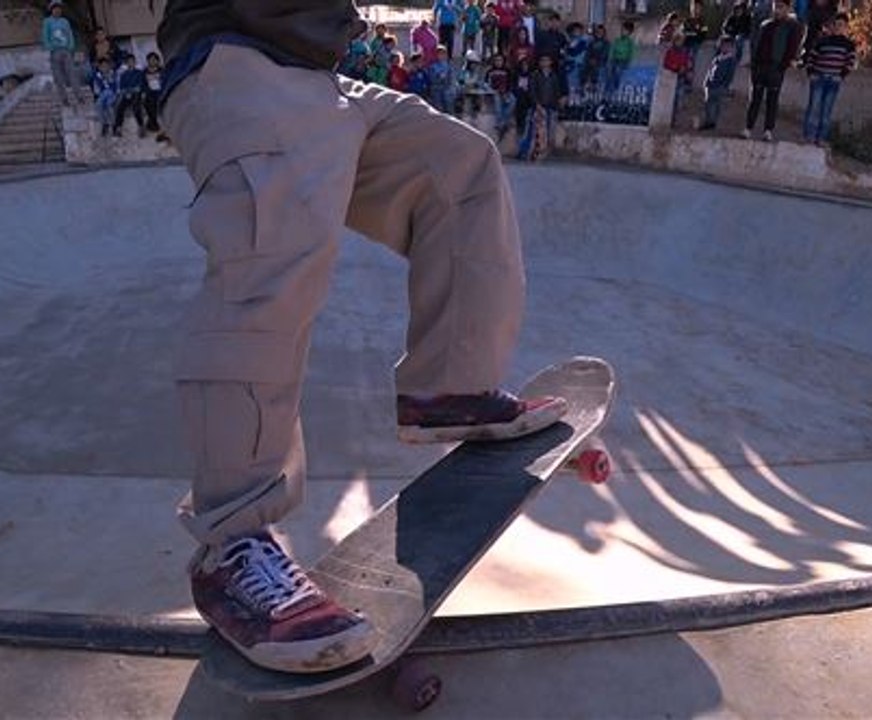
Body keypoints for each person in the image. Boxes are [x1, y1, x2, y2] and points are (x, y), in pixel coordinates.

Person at [153, 0, 565, 675]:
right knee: (272, 237)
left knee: (458, 167)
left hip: (322, 80)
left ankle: (449, 386)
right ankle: (231, 542)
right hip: (232, 68)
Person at [742, 0, 802, 141]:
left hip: (776, 67)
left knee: (772, 99)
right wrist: (755, 64)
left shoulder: (792, 27)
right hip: (761, 66)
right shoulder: (765, 25)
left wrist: (783, 66)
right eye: (776, 7)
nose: (777, 10)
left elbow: (791, 49)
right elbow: (756, 44)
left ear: (787, 8)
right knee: (755, 99)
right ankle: (748, 127)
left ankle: (768, 130)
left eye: (781, 7)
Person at [802, 13, 855, 145]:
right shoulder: (823, 41)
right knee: (814, 107)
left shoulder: (848, 45)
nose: (838, 28)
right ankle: (809, 135)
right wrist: (811, 73)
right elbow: (812, 57)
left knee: (826, 110)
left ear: (846, 27)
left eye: (841, 25)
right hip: (819, 77)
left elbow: (850, 62)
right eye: (836, 25)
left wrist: (841, 76)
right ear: (832, 26)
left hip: (834, 80)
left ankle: (821, 138)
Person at [523, 53, 565, 160]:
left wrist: (557, 104)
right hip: (538, 107)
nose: (545, 63)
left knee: (549, 131)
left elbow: (556, 92)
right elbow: (532, 90)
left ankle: (545, 153)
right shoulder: (535, 75)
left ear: (550, 63)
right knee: (533, 131)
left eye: (547, 61)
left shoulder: (554, 76)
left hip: (550, 107)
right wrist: (536, 104)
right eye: (543, 60)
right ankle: (527, 153)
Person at [42, 1, 78, 105]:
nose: (58, 10)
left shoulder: (65, 21)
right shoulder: (47, 21)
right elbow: (45, 36)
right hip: (55, 51)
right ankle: (64, 99)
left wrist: (70, 47)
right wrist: (50, 47)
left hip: (66, 50)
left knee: (72, 73)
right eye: (55, 8)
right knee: (58, 77)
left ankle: (79, 96)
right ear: (51, 10)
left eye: (59, 8)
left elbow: (69, 34)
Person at [698, 36, 738, 130]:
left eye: (728, 46)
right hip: (711, 84)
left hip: (720, 85)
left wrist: (725, 85)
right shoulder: (717, 58)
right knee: (708, 104)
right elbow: (710, 70)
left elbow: (730, 74)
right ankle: (709, 121)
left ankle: (712, 122)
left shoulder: (731, 60)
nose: (725, 48)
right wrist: (706, 82)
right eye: (723, 45)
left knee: (716, 104)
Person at [114, 54, 147, 137]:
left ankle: (141, 126)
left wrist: (133, 90)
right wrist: (127, 92)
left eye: (132, 61)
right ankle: (118, 127)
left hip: (137, 94)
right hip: (127, 94)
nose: (131, 63)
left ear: (135, 62)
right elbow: (122, 87)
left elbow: (140, 86)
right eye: (129, 62)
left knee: (136, 106)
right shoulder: (123, 75)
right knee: (120, 107)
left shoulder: (139, 73)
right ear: (126, 63)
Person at [485, 52, 515, 139]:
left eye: (500, 60)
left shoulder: (507, 71)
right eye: (496, 60)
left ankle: (502, 122)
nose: (498, 62)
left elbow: (510, 82)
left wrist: (507, 92)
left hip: (506, 92)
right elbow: (485, 83)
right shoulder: (490, 71)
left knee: (513, 100)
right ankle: (501, 124)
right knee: (498, 103)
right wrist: (491, 90)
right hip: (494, 92)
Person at [606, 20, 636, 95]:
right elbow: (612, 49)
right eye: (622, 30)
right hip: (615, 59)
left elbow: (631, 52)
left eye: (624, 30)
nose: (622, 32)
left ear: (629, 32)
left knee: (617, 70)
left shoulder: (630, 42)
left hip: (623, 60)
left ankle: (616, 85)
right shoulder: (617, 40)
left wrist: (628, 62)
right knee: (609, 69)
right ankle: (608, 86)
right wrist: (610, 59)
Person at [91, 58, 119, 136]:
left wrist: (108, 77)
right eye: (102, 66)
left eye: (106, 66)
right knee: (99, 105)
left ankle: (114, 125)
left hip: (112, 93)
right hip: (102, 94)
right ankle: (104, 123)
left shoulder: (113, 74)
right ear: (99, 67)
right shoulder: (97, 76)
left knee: (109, 106)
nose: (104, 68)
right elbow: (96, 89)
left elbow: (116, 86)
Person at [721, 2, 753, 67]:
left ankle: (737, 58)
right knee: (723, 40)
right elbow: (724, 26)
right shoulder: (731, 17)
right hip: (732, 34)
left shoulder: (746, 18)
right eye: (737, 9)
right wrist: (726, 32)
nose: (739, 11)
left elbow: (748, 29)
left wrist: (742, 33)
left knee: (739, 40)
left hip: (743, 35)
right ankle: (721, 57)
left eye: (740, 9)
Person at [142, 51, 165, 141]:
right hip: (150, 91)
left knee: (156, 102)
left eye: (154, 60)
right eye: (150, 60)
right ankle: (153, 122)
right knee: (147, 102)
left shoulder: (162, 71)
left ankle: (152, 123)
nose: (152, 62)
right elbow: (143, 84)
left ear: (157, 61)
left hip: (160, 90)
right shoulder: (145, 72)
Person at [583, 24, 610, 96]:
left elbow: (605, 54)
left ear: (604, 33)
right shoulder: (592, 42)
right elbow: (588, 52)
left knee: (595, 68)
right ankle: (584, 84)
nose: (599, 33)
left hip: (600, 61)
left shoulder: (606, 43)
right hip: (591, 60)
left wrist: (597, 60)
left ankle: (594, 84)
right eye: (598, 32)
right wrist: (589, 59)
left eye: (601, 32)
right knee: (585, 67)